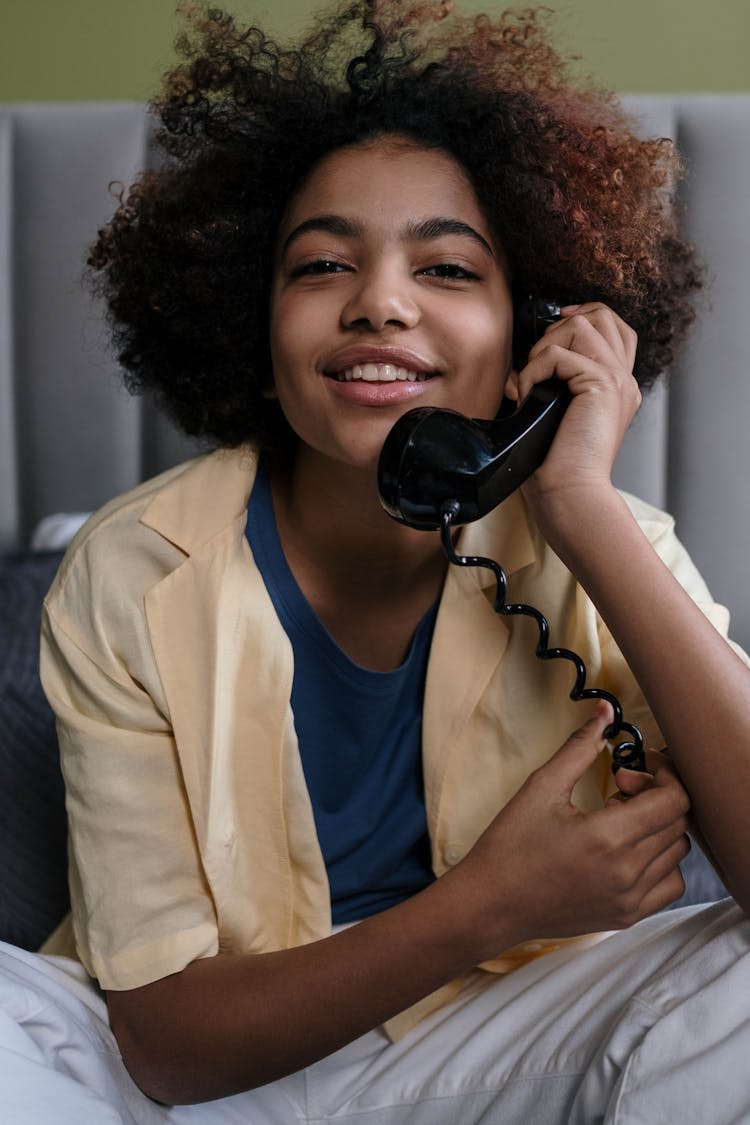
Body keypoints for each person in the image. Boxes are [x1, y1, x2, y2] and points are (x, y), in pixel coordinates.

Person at [26, 0, 750, 1121]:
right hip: (194, 1069)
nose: (380, 303)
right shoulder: (128, 571)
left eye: (450, 270)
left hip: (501, 1048)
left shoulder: (607, 547)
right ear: (255, 334)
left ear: (534, 333)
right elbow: (166, 1044)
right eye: (323, 265)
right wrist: (488, 904)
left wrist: (579, 504)